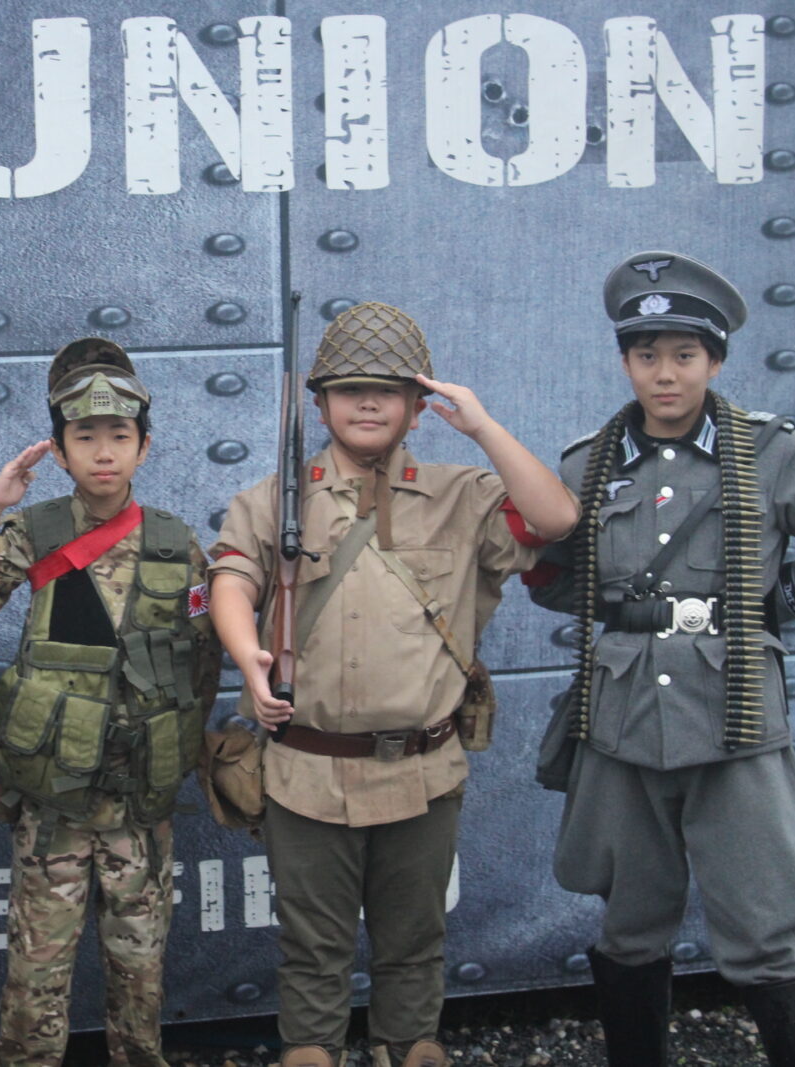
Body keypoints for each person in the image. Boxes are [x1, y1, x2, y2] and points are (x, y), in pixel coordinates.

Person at [207, 303, 578, 1067]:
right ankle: (312, 1048)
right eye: (349, 390)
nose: (368, 403)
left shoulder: (463, 495)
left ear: (417, 405)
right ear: (320, 405)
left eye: (388, 390)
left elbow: (555, 518)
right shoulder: (272, 500)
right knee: (312, 943)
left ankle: (407, 1044)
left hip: (421, 768)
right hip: (306, 768)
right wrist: (249, 656)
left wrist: (481, 425)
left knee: (414, 938)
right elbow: (232, 579)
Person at [526, 250, 795, 1067]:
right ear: (626, 362)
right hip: (623, 719)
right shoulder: (586, 463)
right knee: (630, 921)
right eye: (647, 354)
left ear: (714, 360)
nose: (666, 373)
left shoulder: (770, 451)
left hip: (733, 715)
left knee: (763, 924)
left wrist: (770, 606)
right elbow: (551, 577)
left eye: (684, 354)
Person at [0, 338, 220, 1067]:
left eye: (119, 436)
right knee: (36, 975)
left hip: (139, 803)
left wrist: (179, 748)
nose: (103, 452)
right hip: (55, 804)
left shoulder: (176, 543)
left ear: (144, 447)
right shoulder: (36, 530)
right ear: (60, 451)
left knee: (140, 973)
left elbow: (202, 655)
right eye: (85, 436)